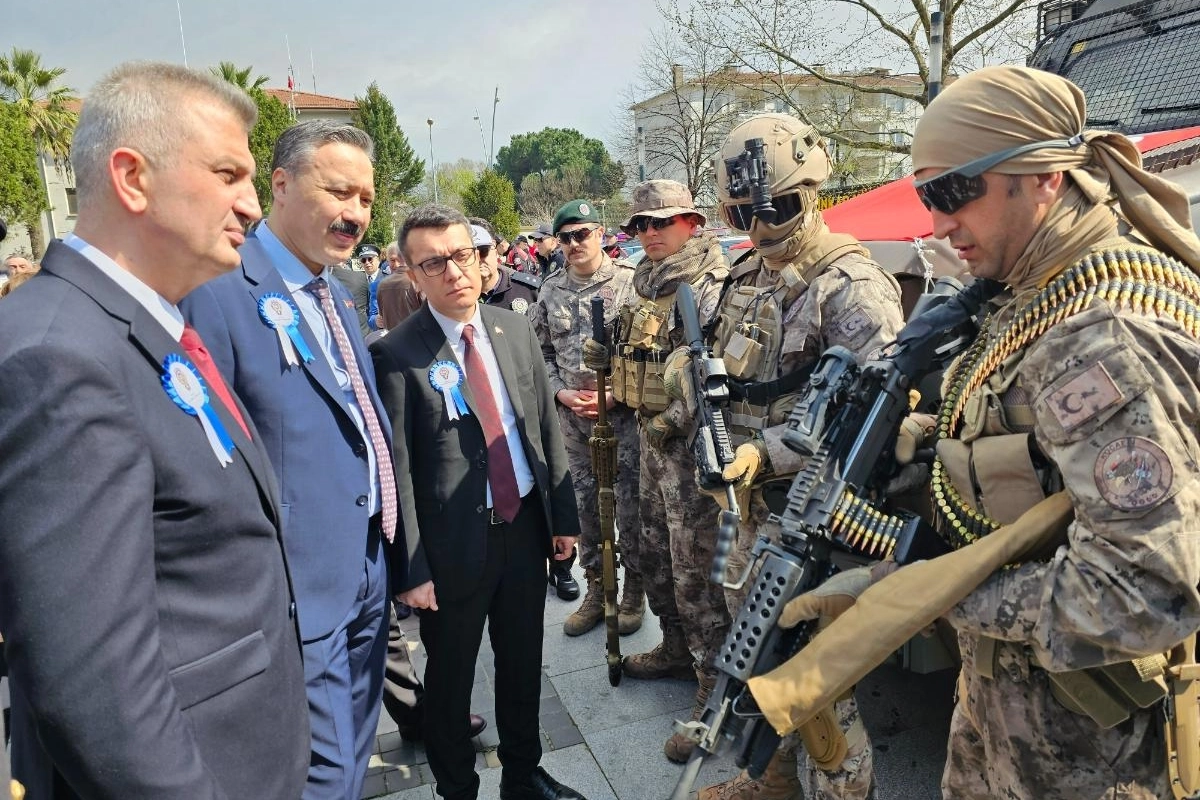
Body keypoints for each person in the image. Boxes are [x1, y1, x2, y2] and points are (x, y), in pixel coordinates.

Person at [766, 64, 1200, 800]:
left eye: (952, 191)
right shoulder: (1027, 294)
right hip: (1008, 707)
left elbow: (1144, 591)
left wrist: (924, 595)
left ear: (1044, 177)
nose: (937, 224)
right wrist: (929, 441)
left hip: (1089, 751)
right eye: (925, 197)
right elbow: (1038, 451)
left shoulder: (1105, 336)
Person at [0, 60, 309, 799]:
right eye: (228, 175)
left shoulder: (143, 326)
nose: (252, 206)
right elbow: (97, 690)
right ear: (132, 178)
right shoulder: (58, 355)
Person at [180, 119, 401, 799]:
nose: (355, 213)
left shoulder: (335, 293)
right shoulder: (219, 288)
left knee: (355, 749)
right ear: (280, 184)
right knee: (320, 770)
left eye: (366, 199)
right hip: (293, 585)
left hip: (366, 563)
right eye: (339, 191)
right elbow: (206, 454)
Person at [693, 112, 905, 800]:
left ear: (812, 192)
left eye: (776, 209)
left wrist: (764, 453)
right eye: (740, 214)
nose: (758, 228)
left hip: (813, 516)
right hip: (747, 511)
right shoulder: (745, 275)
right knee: (758, 654)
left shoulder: (850, 286)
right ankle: (775, 779)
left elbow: (869, 422)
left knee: (818, 680)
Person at [371, 204, 585, 800]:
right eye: (433, 262)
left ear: (481, 257)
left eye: (463, 255)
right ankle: (457, 788)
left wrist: (562, 519)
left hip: (523, 528)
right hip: (451, 550)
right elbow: (398, 472)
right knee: (450, 679)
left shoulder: (512, 328)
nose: (454, 272)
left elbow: (543, 427)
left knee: (522, 662)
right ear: (411, 272)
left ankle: (523, 775)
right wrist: (411, 569)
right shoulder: (397, 354)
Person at [582, 179, 732, 756]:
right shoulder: (643, 282)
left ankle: (713, 688)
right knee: (650, 554)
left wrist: (673, 417)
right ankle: (673, 648)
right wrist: (611, 358)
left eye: (661, 222)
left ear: (692, 222)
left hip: (691, 454)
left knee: (697, 573)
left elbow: (713, 369)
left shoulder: (713, 284)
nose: (649, 233)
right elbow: (642, 356)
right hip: (648, 445)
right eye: (640, 225)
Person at [530, 199, 645, 636]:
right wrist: (560, 392)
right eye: (565, 238)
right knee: (585, 509)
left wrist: (616, 394)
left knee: (630, 506)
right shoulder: (550, 289)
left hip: (623, 419)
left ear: (601, 233)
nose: (574, 243)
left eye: (582, 234)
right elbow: (541, 353)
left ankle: (633, 592)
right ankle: (597, 589)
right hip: (574, 424)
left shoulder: (630, 283)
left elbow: (646, 353)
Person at [358, 242, 385, 331]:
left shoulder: (387, 279)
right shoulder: (357, 280)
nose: (367, 263)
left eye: (370, 259)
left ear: (378, 260)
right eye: (363, 260)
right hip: (362, 329)